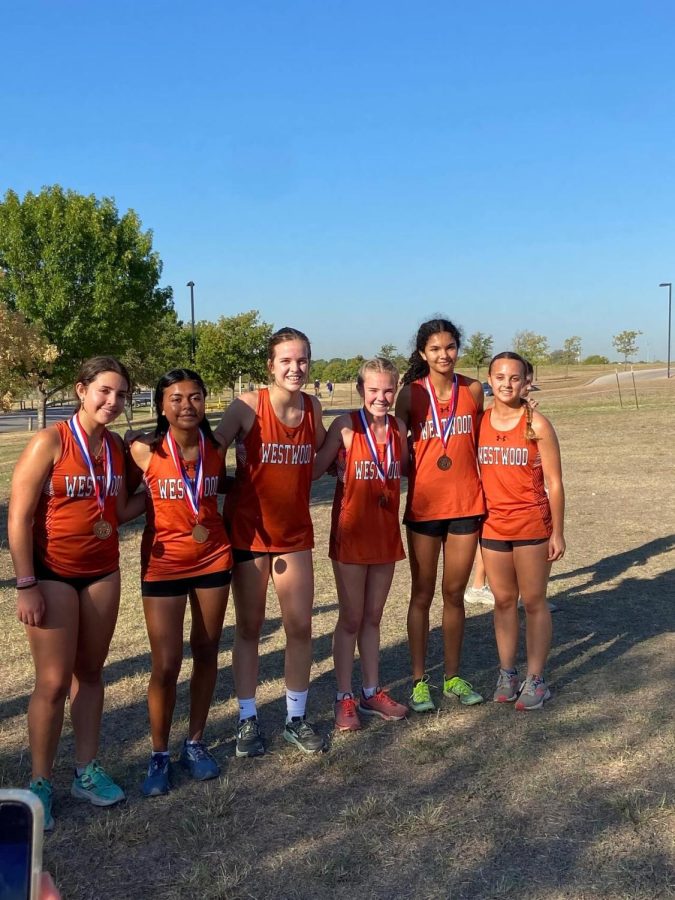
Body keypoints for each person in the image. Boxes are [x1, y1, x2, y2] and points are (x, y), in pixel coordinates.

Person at [8, 357, 144, 830]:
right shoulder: (50, 441)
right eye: (104, 391)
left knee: (90, 673)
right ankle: (41, 781)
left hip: (103, 570)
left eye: (122, 394)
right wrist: (26, 584)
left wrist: (159, 484)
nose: (113, 401)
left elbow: (121, 508)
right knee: (51, 681)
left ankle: (86, 771)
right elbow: (18, 518)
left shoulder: (115, 450)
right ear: (81, 389)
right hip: (52, 574)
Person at [215, 327, 327, 754]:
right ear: (270, 365)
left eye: (301, 360)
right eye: (286, 360)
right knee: (249, 628)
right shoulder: (246, 407)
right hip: (248, 535)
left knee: (299, 627)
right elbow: (209, 452)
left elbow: (315, 462)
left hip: (294, 535)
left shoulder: (314, 408)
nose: (295, 368)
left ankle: (296, 718)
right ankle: (248, 720)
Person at [128, 369, 233, 796]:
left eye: (195, 397)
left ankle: (195, 741)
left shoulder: (216, 448)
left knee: (207, 650)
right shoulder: (140, 449)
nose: (186, 405)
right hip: (164, 564)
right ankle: (158, 753)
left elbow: (220, 486)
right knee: (167, 663)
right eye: (176, 398)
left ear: (206, 402)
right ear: (160, 405)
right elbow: (123, 497)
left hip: (213, 557)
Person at [314, 358, 409, 731]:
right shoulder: (345, 427)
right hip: (351, 535)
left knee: (373, 617)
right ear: (360, 390)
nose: (381, 397)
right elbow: (313, 468)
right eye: (373, 390)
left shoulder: (400, 428)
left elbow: (405, 468)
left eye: (388, 389)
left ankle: (371, 691)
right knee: (351, 618)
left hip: (385, 535)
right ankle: (343, 697)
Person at [395, 318, 485, 712]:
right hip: (425, 508)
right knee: (421, 593)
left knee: (454, 594)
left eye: (449, 347)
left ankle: (452, 676)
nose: (443, 355)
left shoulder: (474, 390)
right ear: (422, 354)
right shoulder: (410, 394)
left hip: (467, 505)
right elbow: (392, 449)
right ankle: (418, 680)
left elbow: (485, 439)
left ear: (457, 349)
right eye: (435, 349)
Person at [477, 352, 565, 710]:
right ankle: (507, 672)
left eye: (515, 378)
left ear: (526, 381)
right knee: (501, 602)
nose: (506, 384)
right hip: (493, 526)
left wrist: (557, 532)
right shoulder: (479, 422)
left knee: (532, 602)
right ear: (489, 378)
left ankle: (537, 678)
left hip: (532, 525)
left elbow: (555, 483)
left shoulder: (537, 424)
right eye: (500, 377)